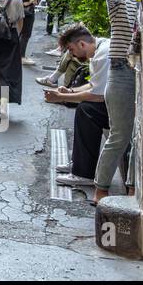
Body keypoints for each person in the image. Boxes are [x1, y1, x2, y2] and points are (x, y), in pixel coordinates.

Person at [95, 0, 140, 202]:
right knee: (120, 133)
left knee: (138, 135)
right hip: (122, 70)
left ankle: (133, 188)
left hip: (142, 74)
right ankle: (101, 188)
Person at [45, 23, 110, 195]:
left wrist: (62, 97)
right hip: (114, 100)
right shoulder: (100, 48)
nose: (72, 55)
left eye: (71, 50)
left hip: (119, 104)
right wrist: (70, 91)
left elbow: (97, 95)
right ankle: (80, 164)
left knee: (88, 110)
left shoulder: (102, 56)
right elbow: (95, 85)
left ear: (82, 44)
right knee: (85, 109)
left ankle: (84, 172)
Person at [15, 0, 39, 66]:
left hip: (23, 13)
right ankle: (21, 56)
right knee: (25, 35)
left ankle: (20, 55)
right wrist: (32, 0)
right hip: (27, 13)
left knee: (22, 34)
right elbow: (23, 2)